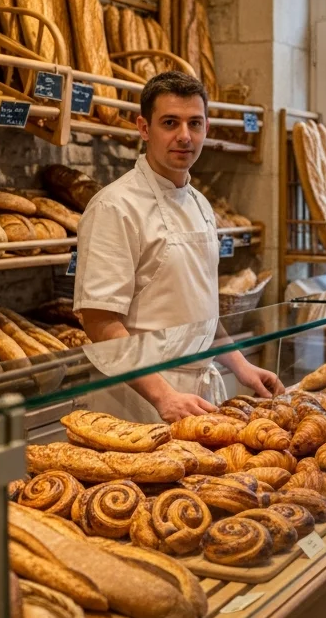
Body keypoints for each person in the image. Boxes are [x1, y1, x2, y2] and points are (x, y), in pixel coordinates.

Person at [73, 71, 281, 423]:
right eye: (170, 123)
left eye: (194, 124)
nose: (184, 136)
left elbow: (199, 312)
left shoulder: (200, 204)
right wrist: (163, 395)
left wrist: (241, 365)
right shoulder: (114, 207)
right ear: (143, 128)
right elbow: (99, 321)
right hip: (137, 399)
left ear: (206, 129)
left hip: (195, 393)